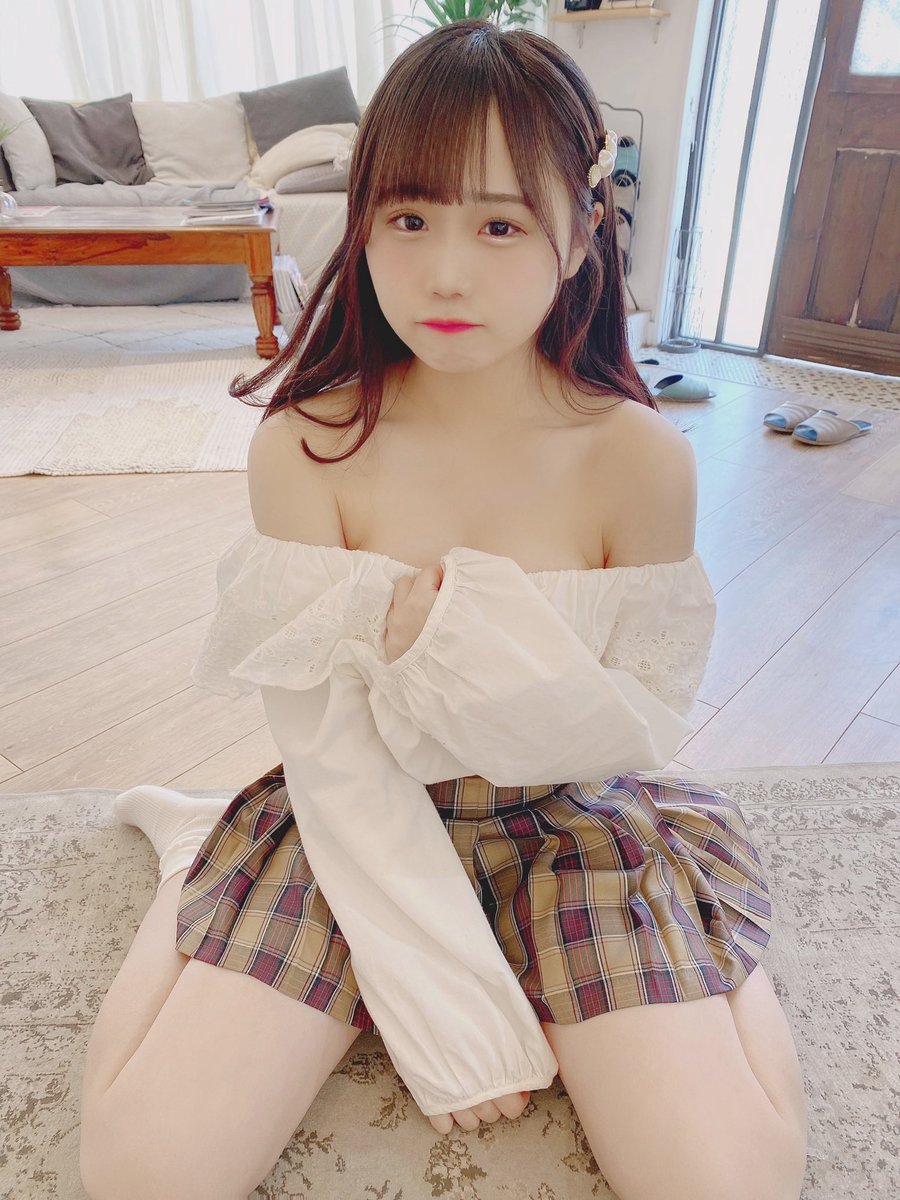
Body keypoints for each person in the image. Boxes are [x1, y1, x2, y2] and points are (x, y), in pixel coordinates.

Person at [79, 19, 809, 1200]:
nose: (447, 273)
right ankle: (190, 860)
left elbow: (631, 731)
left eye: (501, 224)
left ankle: (711, 926)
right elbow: (331, 748)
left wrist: (463, 646)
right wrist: (446, 1006)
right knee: (144, 1177)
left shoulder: (638, 461)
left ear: (584, 229)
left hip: (573, 816)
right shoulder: (308, 445)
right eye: (408, 219)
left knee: (730, 1186)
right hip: (353, 811)